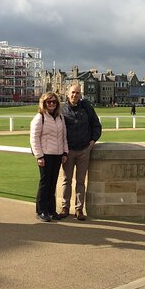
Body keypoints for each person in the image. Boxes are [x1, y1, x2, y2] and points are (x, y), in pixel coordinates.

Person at [59, 83, 102, 221]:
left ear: (80, 95)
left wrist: (93, 141)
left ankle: (79, 209)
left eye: (77, 93)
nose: (74, 95)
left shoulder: (87, 107)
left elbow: (96, 125)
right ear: (68, 93)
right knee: (66, 180)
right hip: (68, 151)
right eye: (72, 92)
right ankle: (65, 207)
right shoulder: (62, 109)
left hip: (84, 150)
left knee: (81, 181)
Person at [30, 92, 68, 222]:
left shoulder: (60, 117)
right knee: (45, 184)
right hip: (45, 155)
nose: (51, 104)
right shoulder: (40, 117)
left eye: (54, 102)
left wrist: (64, 152)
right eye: (48, 102)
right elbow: (34, 138)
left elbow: (63, 137)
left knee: (53, 184)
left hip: (57, 155)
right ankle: (41, 211)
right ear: (44, 103)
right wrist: (39, 156)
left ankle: (51, 210)